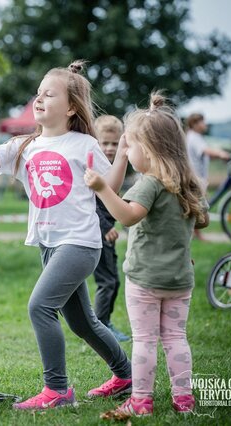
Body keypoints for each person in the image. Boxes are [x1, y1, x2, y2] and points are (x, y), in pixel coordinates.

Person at [0, 61, 132, 410]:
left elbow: (111, 187)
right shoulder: (25, 146)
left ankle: (58, 390)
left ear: (70, 108)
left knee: (40, 307)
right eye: (38, 93)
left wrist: (121, 155)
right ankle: (125, 376)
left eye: (49, 94)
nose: (39, 99)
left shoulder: (85, 145)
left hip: (80, 243)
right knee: (82, 323)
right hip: (49, 245)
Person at [85, 92, 209, 417]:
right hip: (181, 278)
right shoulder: (188, 183)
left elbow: (126, 216)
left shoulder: (150, 183)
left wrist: (102, 188)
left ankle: (141, 400)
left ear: (150, 149)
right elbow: (202, 219)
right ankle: (184, 400)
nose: (127, 151)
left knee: (144, 339)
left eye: (131, 146)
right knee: (176, 338)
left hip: (145, 279)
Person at [92, 115, 129, 342]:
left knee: (113, 280)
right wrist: (106, 226)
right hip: (98, 232)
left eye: (114, 144)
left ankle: (101, 323)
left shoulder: (113, 168)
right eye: (104, 143)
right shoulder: (94, 169)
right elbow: (90, 203)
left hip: (108, 233)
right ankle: (101, 327)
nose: (109, 148)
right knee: (108, 281)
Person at [185, 113, 230, 240]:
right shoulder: (194, 137)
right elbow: (206, 151)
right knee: (197, 207)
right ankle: (198, 235)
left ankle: (195, 234)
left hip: (197, 178)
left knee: (197, 207)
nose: (205, 124)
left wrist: (219, 157)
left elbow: (205, 155)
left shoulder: (195, 137)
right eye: (202, 122)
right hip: (196, 179)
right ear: (194, 124)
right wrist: (221, 153)